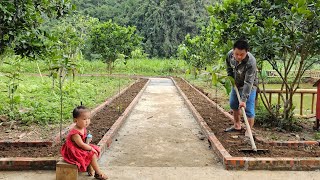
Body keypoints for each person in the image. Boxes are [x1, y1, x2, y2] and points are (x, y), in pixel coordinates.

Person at [61, 106, 108, 180]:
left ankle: (91, 168)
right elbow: (81, 145)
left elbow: (84, 142)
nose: (87, 121)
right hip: (73, 151)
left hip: (79, 147)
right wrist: (91, 148)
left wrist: (88, 140)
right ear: (75, 120)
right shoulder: (75, 133)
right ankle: (98, 173)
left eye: (89, 119)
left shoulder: (82, 128)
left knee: (95, 149)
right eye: (84, 119)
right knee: (91, 153)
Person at [224, 40, 258, 137]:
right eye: (236, 54)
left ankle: (248, 131)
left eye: (242, 54)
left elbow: (249, 82)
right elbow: (229, 68)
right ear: (233, 51)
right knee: (233, 104)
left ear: (247, 52)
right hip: (236, 83)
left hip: (250, 86)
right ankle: (237, 125)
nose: (239, 57)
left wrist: (243, 100)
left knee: (249, 110)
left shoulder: (251, 62)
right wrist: (231, 79)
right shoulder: (229, 55)